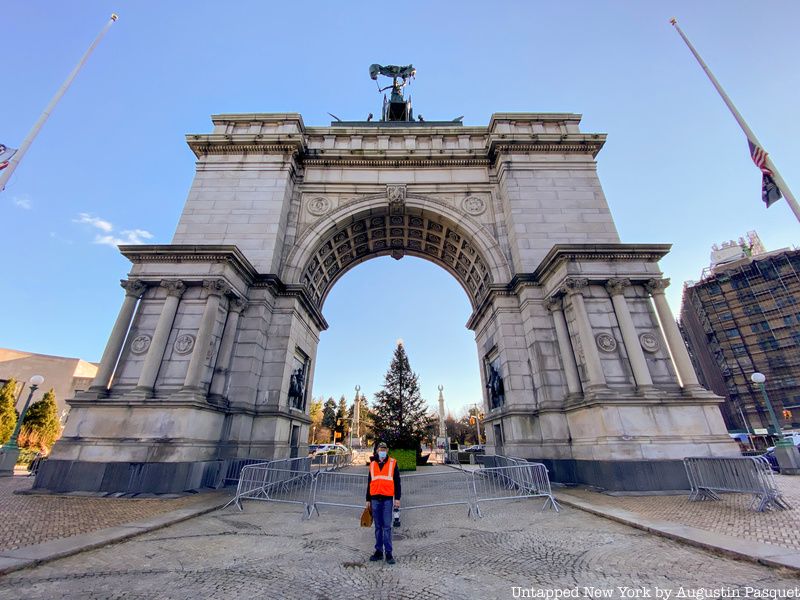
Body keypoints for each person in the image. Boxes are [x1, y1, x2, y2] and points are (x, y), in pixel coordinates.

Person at [365, 441, 401, 564]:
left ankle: (389, 553)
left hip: (387, 499)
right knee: (378, 527)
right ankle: (379, 551)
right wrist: (367, 499)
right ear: (377, 451)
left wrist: (397, 498)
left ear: (387, 450)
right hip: (375, 499)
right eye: (381, 449)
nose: (382, 451)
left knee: (387, 527)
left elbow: (397, 482)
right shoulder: (373, 463)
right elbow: (370, 482)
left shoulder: (392, 463)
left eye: (384, 449)